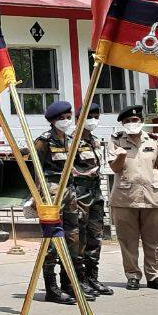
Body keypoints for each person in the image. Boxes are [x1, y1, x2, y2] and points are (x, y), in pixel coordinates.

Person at [108, 104, 158, 291]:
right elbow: (114, 168)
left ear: (141, 121)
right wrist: (121, 156)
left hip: (153, 196)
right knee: (128, 240)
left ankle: (155, 276)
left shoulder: (153, 140)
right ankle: (132, 276)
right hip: (125, 199)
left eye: (135, 120)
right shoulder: (115, 141)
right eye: (128, 121)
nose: (132, 124)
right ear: (123, 124)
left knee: (155, 240)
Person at [33, 101, 93, 304]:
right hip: (51, 193)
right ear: (52, 120)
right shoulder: (43, 141)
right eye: (62, 118)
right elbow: (36, 170)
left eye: (69, 117)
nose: (66, 121)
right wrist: (36, 196)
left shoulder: (70, 140)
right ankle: (52, 288)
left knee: (73, 238)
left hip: (69, 192)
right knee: (52, 240)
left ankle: (70, 284)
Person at [75, 103, 112, 296]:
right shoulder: (70, 141)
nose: (93, 119)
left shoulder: (95, 140)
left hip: (96, 193)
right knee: (79, 238)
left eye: (96, 115)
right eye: (89, 115)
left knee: (95, 237)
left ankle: (92, 277)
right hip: (79, 193)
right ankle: (79, 279)